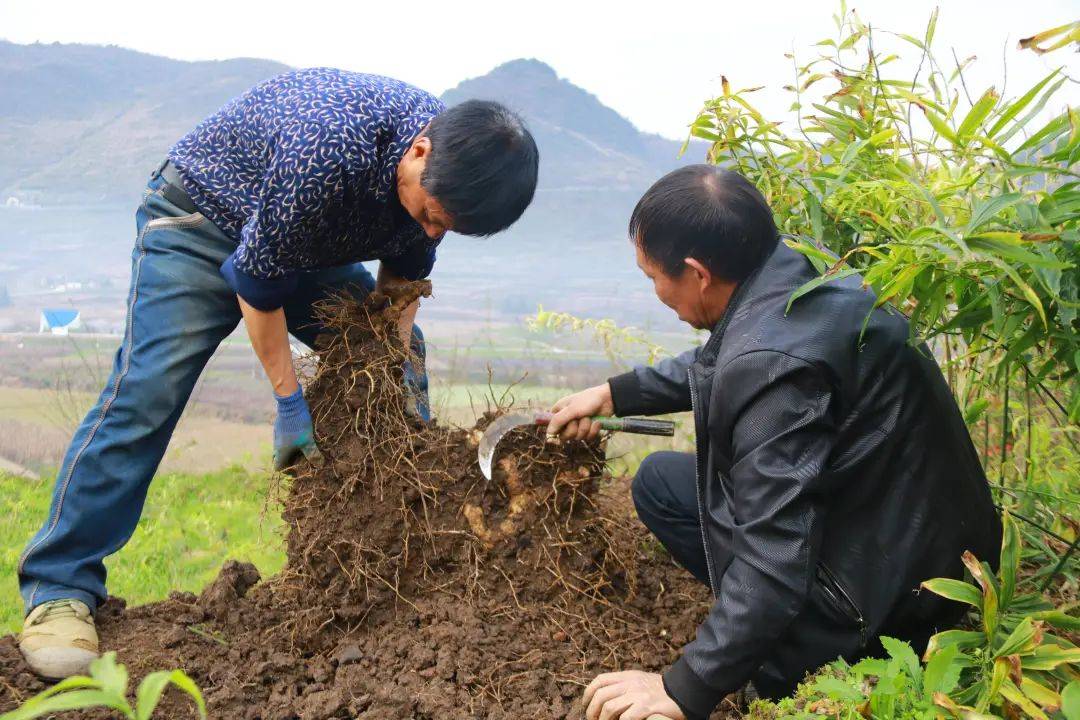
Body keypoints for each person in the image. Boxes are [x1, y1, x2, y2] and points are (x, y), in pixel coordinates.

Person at [18, 68, 539, 680]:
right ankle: (59, 586)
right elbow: (259, 289)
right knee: (146, 394)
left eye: (446, 227)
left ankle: (410, 539)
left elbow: (399, 285)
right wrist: (291, 405)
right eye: (432, 214)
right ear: (418, 152)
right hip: (201, 224)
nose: (432, 230)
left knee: (396, 356)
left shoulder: (449, 168)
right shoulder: (324, 151)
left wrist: (392, 374)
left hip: (297, 243)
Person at [547, 165, 1001, 720]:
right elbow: (732, 354)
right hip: (924, 539)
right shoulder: (796, 272)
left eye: (653, 278)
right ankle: (764, 625)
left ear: (697, 273)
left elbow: (775, 558)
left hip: (890, 597)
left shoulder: (772, 369)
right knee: (661, 483)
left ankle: (802, 654)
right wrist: (617, 393)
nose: (656, 292)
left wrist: (683, 688)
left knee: (767, 571)